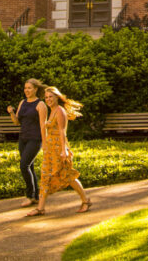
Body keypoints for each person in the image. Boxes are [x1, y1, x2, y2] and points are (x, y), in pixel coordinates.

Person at [25, 85, 90, 216]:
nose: (48, 99)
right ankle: (40, 208)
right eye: (46, 97)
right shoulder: (51, 110)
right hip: (50, 149)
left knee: (68, 176)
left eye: (51, 97)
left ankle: (85, 200)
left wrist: (64, 150)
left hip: (59, 149)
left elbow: (62, 132)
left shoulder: (60, 111)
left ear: (57, 97)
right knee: (45, 177)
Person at [8, 78, 47, 208]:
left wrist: (45, 142)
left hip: (35, 139)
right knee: (29, 167)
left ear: (36, 89)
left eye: (29, 88)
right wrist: (11, 112)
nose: (27, 90)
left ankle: (29, 196)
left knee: (24, 165)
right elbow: (16, 122)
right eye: (25, 88)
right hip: (23, 139)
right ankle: (35, 197)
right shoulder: (22, 102)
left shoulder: (40, 104)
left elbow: (43, 125)